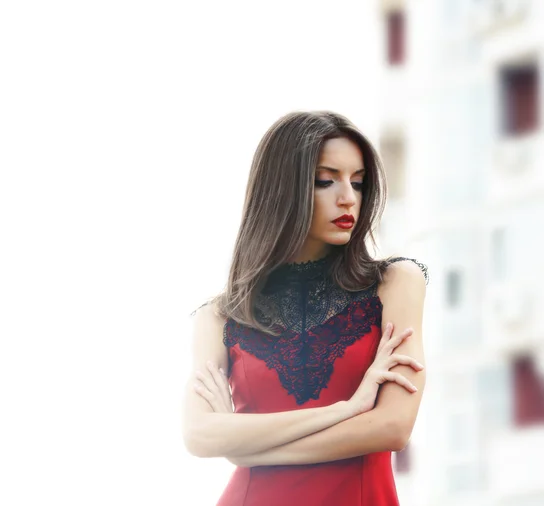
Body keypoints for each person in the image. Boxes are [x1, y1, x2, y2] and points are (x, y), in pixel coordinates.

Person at [182, 111, 428, 506]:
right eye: (325, 181)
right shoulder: (220, 315)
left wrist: (244, 448)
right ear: (283, 188)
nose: (348, 196)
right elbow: (199, 435)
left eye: (359, 182)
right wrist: (348, 409)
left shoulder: (395, 283)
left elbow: (393, 427)